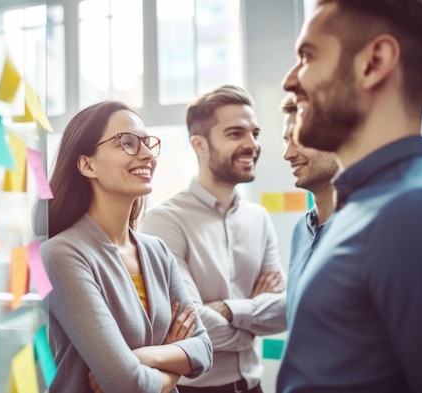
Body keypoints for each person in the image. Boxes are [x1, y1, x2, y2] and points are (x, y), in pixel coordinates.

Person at [278, 1, 422, 392]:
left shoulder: (412, 213)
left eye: (307, 56)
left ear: (374, 61)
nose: (290, 81)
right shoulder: (362, 206)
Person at [40, 100, 213, 393]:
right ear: (87, 164)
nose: (146, 155)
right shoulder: (61, 254)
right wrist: (173, 365)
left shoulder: (156, 251)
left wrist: (144, 357)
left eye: (147, 143)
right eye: (127, 143)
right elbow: (126, 383)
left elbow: (205, 349)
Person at [141, 85, 287, 393]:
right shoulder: (165, 220)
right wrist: (253, 319)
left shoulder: (258, 218)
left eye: (254, 134)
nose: (251, 145)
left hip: (253, 385)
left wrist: (227, 310)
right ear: (200, 145)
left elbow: (286, 310)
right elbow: (192, 325)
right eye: (235, 134)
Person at [279, 95, 338, 327]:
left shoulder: (369, 229)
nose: (287, 153)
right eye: (286, 140)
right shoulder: (300, 232)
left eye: (298, 139)